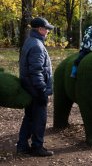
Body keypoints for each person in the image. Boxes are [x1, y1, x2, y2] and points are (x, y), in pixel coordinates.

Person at [17, 17, 54, 157]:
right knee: (39, 118)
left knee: (29, 117)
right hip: (36, 89)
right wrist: (43, 90)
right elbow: (36, 71)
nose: (48, 31)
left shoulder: (30, 41)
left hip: (29, 87)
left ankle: (22, 146)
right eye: (47, 29)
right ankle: (37, 147)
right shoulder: (37, 45)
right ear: (40, 29)